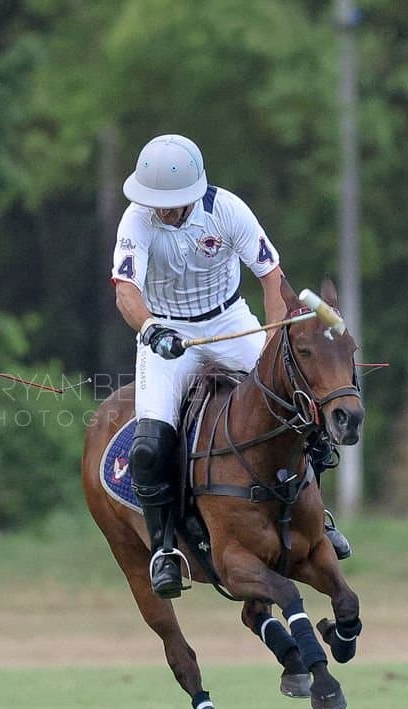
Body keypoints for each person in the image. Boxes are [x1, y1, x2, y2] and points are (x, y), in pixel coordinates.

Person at [110, 133, 351, 599]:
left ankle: (320, 519)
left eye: (172, 202)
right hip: (168, 332)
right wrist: (151, 330)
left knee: (297, 407)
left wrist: (271, 336)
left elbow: (271, 277)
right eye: (154, 201)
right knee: (148, 445)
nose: (163, 209)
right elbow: (126, 292)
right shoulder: (135, 222)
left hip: (229, 320)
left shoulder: (229, 211)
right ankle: (164, 550)